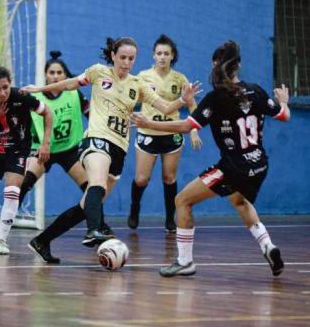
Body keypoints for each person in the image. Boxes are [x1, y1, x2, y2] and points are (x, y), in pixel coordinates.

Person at [24, 37, 200, 264]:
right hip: (96, 139)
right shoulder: (99, 72)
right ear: (113, 56)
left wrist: (183, 100)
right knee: (95, 183)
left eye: (131, 58)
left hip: (119, 148)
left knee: (85, 205)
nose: (126, 62)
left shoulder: (138, 85)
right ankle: (94, 230)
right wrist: (40, 88)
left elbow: (165, 108)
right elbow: (68, 84)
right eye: (123, 57)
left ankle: (42, 241)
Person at [131, 40, 291, 277]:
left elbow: (186, 126)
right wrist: (284, 101)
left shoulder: (216, 98)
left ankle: (185, 262)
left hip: (233, 166)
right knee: (239, 201)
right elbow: (284, 115)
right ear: (238, 66)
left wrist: (148, 123)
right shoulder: (256, 91)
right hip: (259, 164)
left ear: (216, 65)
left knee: (182, 200)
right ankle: (268, 246)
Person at [0, 51, 113, 237]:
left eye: (59, 72)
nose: (55, 76)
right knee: (25, 182)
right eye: (52, 72)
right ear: (46, 75)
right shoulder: (37, 98)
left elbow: (91, 115)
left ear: (65, 75)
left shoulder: (74, 94)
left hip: (69, 149)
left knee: (91, 187)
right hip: (42, 150)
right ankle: (2, 223)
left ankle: (99, 226)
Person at [0, 65, 52, 255]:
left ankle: (1, 240)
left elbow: (48, 113)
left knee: (13, 190)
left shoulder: (21, 97)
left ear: (10, 83)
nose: (2, 92)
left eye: (5, 87)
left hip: (17, 149)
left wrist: (45, 143)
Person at [128, 34, 202, 233]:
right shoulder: (142, 76)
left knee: (169, 177)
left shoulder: (180, 79)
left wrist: (194, 130)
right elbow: (129, 99)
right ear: (153, 56)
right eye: (159, 53)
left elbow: (193, 105)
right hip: (147, 131)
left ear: (172, 56)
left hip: (172, 133)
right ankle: (134, 209)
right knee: (142, 178)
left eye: (166, 53)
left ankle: (170, 218)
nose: (162, 57)